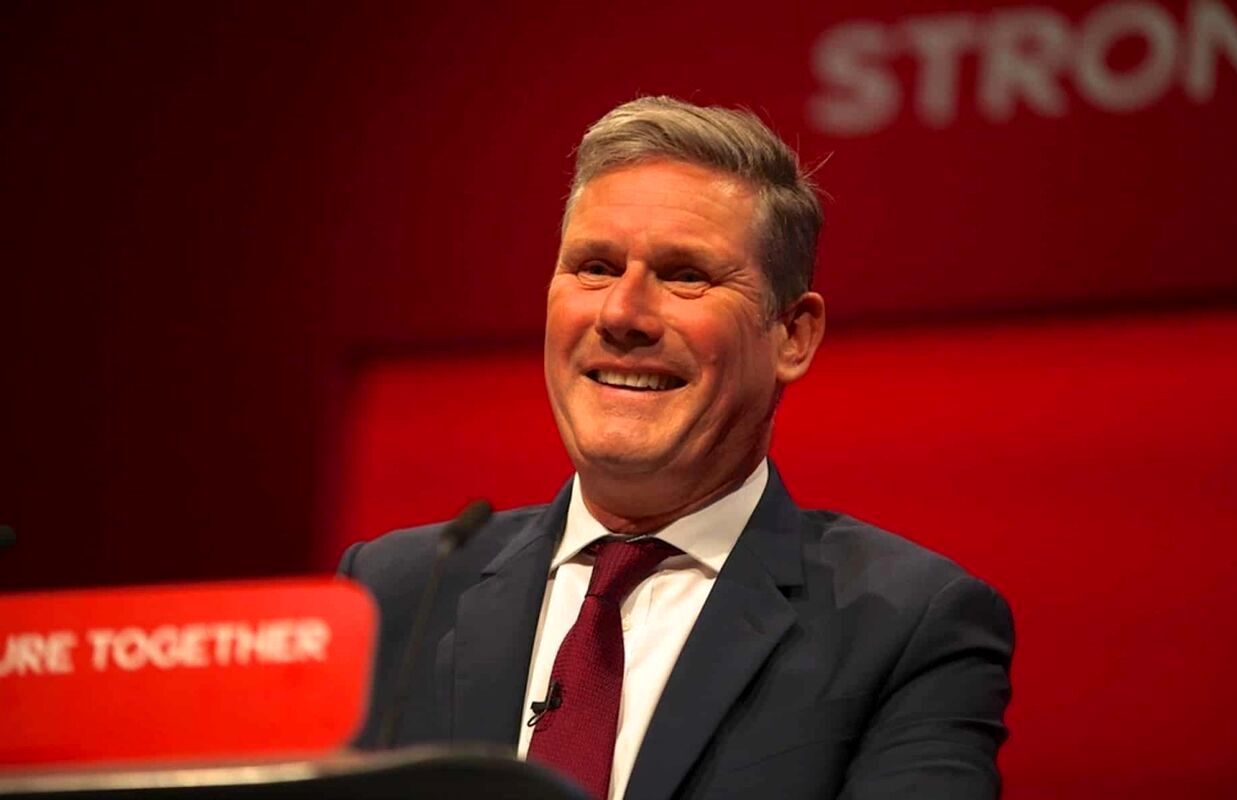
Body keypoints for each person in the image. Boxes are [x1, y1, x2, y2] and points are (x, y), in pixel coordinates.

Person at [339, 96, 1014, 800]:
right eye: (595, 266)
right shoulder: (394, 595)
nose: (621, 313)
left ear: (792, 335)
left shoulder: (907, 627)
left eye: (685, 275)